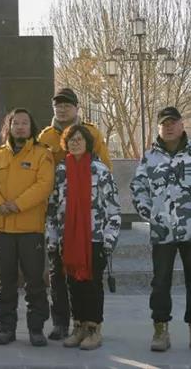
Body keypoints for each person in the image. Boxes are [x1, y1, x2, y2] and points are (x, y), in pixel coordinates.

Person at [130, 106, 191, 354]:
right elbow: (138, 188)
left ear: (181, 125)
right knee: (160, 282)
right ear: (159, 128)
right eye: (164, 123)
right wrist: (150, 213)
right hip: (162, 231)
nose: (168, 127)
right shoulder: (149, 158)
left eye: (173, 122)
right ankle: (160, 329)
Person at [35, 87, 112, 340]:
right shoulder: (45, 137)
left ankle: (91, 327)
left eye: (67, 104)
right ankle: (62, 323)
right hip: (61, 222)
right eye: (58, 104)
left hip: (89, 224)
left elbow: (106, 177)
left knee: (89, 278)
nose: (62, 108)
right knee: (60, 276)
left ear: (77, 108)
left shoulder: (93, 133)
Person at [0, 108, 54, 347]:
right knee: (5, 282)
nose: (20, 127)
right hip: (2, 229)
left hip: (30, 229)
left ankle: (36, 328)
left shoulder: (42, 154)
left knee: (34, 281)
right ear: (9, 127)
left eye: (24, 123)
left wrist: (17, 205)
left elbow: (44, 185)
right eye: (16, 123)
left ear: (31, 127)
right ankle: (6, 327)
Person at [45, 124, 121, 350]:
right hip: (67, 238)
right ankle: (78, 327)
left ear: (87, 142)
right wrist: (52, 238)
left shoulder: (100, 170)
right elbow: (52, 207)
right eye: (71, 139)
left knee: (92, 285)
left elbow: (113, 207)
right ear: (65, 144)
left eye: (79, 139)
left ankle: (93, 329)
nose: (75, 142)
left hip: (94, 238)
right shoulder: (60, 171)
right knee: (72, 285)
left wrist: (109, 239)